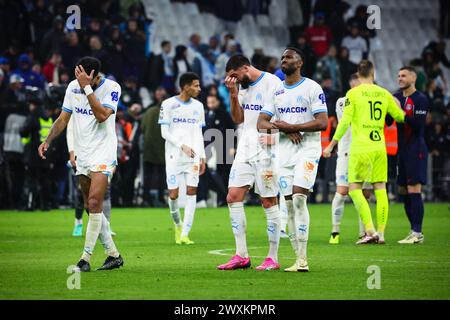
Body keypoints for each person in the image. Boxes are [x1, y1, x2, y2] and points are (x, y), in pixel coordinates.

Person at [38, 56, 123, 272]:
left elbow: (103, 115)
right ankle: (114, 255)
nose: (79, 79)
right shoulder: (73, 87)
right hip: (83, 153)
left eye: (83, 75)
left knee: (95, 202)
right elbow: (64, 118)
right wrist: (47, 140)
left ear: (94, 75)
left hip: (103, 152)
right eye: (77, 74)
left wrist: (87, 89)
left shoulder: (112, 87)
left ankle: (84, 259)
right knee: (89, 206)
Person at [257, 47, 328, 272]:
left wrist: (293, 127)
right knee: (287, 204)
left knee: (298, 199)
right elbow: (261, 122)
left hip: (307, 150)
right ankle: (297, 258)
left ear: (300, 63)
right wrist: (286, 130)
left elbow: (322, 122)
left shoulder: (311, 87)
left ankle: (304, 259)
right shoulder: (276, 92)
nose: (284, 59)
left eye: (289, 57)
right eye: (282, 57)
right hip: (285, 153)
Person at [323, 60, 405, 245]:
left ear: (358, 75)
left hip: (360, 149)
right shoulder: (384, 93)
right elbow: (399, 117)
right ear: (373, 74)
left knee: (354, 190)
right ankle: (381, 234)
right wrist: (402, 107)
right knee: (381, 190)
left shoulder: (353, 93)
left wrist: (331, 144)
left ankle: (369, 230)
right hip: (379, 148)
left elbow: (344, 122)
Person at [216, 54, 283, 271]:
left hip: (267, 150)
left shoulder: (272, 83)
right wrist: (233, 94)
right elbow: (238, 119)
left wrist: (276, 135)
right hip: (245, 148)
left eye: (234, 76)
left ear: (246, 68)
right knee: (232, 196)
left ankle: (272, 257)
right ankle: (241, 255)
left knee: (268, 201)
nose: (233, 80)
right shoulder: (241, 88)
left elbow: (285, 114)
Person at [158, 72, 206, 245]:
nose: (199, 89)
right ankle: (178, 225)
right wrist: (182, 145)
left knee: (192, 191)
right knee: (173, 194)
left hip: (193, 157)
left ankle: (185, 233)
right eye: (196, 85)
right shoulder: (168, 104)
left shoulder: (199, 106)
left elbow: (199, 133)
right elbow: (164, 132)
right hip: (174, 156)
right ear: (185, 86)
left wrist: (202, 156)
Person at [327, 73, 371, 244]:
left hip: (366, 153)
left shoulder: (367, 101)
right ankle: (335, 231)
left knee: (365, 194)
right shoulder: (342, 102)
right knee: (342, 192)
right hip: (347, 153)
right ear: (353, 85)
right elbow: (351, 122)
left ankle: (363, 233)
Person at [394, 67, 429, 244]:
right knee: (403, 191)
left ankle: (418, 232)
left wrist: (400, 111)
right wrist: (389, 107)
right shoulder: (397, 97)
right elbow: (388, 121)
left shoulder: (420, 99)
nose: (400, 78)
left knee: (414, 189)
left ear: (413, 78)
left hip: (416, 149)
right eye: (398, 76)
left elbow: (417, 124)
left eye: (404, 75)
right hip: (402, 151)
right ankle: (413, 230)